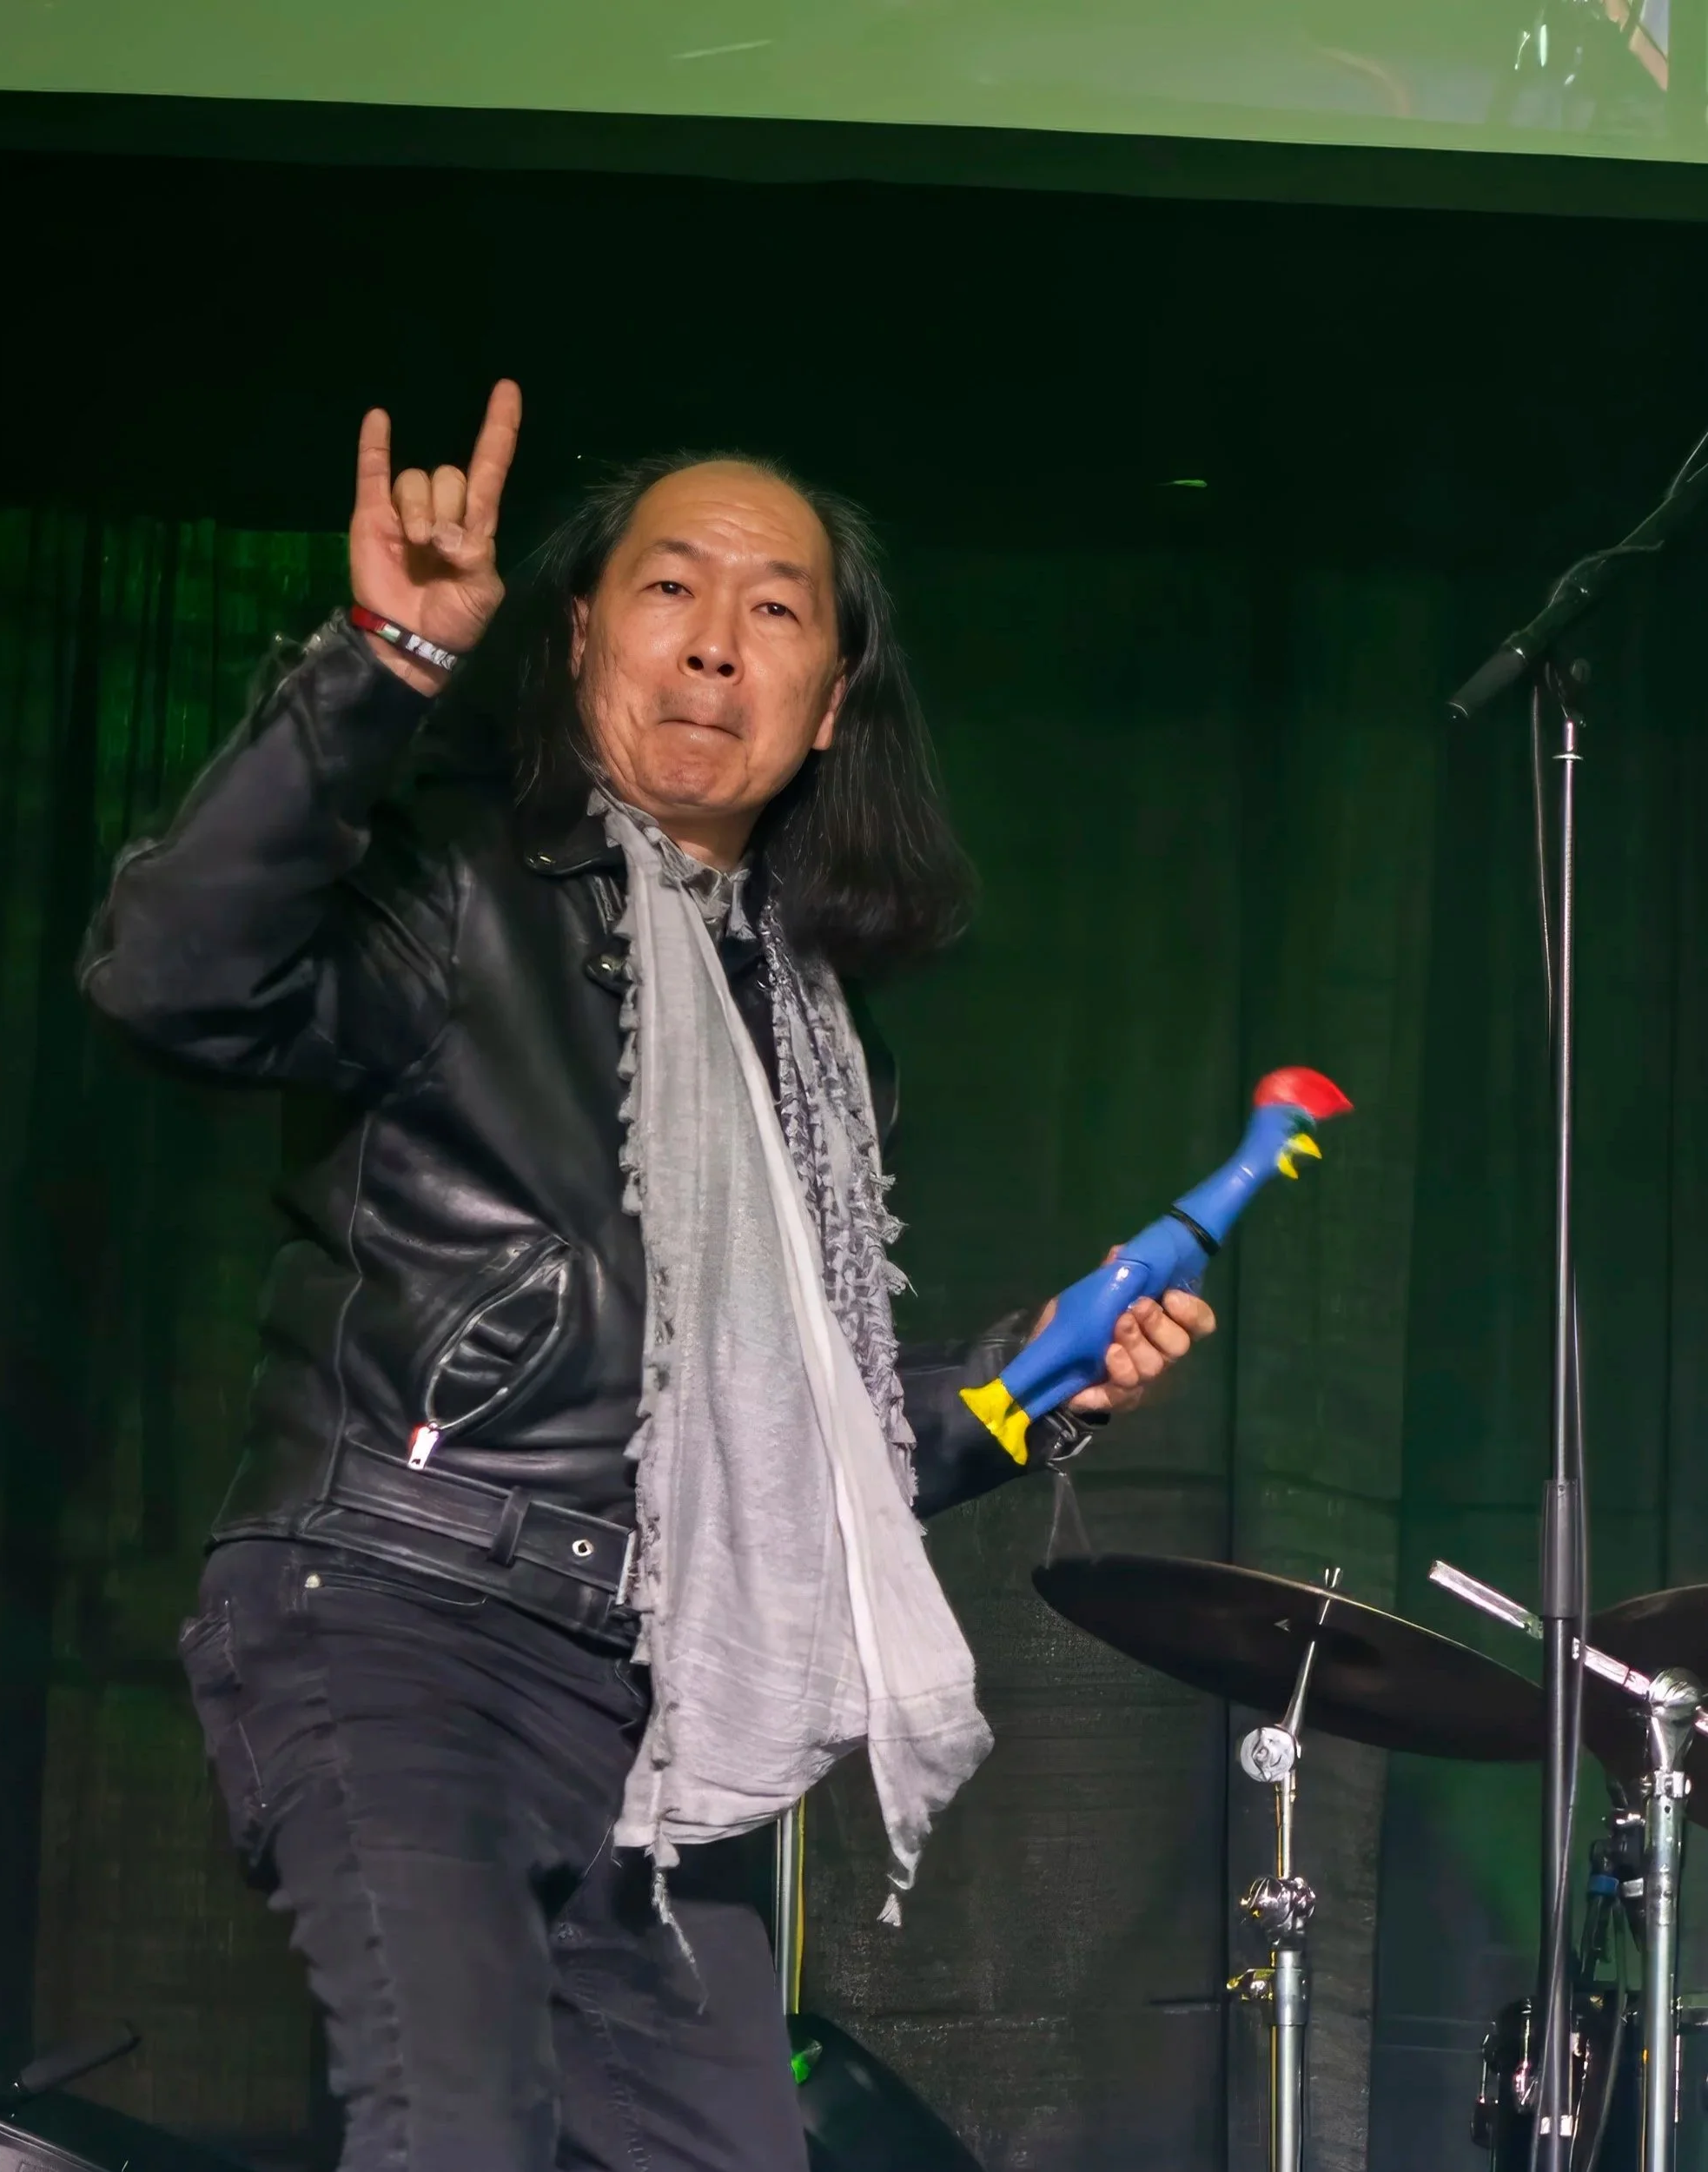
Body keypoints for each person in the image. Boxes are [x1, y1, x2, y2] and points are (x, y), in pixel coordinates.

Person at [80, 381, 1213, 2172]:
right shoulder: (458, 891)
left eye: (772, 612)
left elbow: (802, 1448)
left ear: (828, 703)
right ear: (584, 628)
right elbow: (166, 976)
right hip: (395, 1608)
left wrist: (1028, 1382)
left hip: (647, 1687)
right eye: (671, 589)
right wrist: (376, 659)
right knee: (453, 2127)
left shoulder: (820, 1043)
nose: (713, 646)